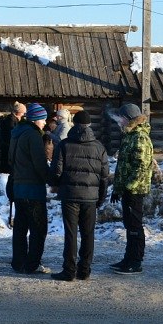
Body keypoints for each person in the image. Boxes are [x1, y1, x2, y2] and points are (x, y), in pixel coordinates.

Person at [48, 111, 109, 282]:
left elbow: (56, 170)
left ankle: (68, 270)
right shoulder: (99, 147)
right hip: (90, 197)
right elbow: (104, 175)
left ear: (73, 124)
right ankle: (84, 270)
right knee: (88, 233)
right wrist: (100, 197)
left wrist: (55, 184)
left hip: (69, 195)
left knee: (71, 233)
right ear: (90, 126)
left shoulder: (65, 145)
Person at [109, 103, 154, 275]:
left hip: (135, 191)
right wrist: (117, 188)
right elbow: (125, 166)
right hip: (128, 189)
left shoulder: (140, 137)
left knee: (135, 226)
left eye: (121, 118)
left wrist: (128, 187)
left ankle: (136, 261)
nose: (118, 121)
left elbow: (141, 167)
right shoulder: (130, 135)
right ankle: (128, 258)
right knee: (129, 225)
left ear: (128, 119)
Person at [8, 103, 51, 275]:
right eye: (43, 119)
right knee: (38, 228)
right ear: (36, 119)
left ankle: (18, 262)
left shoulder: (16, 134)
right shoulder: (33, 136)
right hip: (33, 188)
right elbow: (39, 164)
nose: (45, 122)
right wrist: (51, 178)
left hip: (18, 187)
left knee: (20, 227)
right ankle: (32, 264)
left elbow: (11, 160)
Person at [0, 102, 26, 174]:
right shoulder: (11, 120)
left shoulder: (14, 119)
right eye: (22, 113)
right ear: (18, 112)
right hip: (8, 145)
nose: (23, 115)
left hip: (9, 145)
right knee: (7, 165)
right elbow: (12, 133)